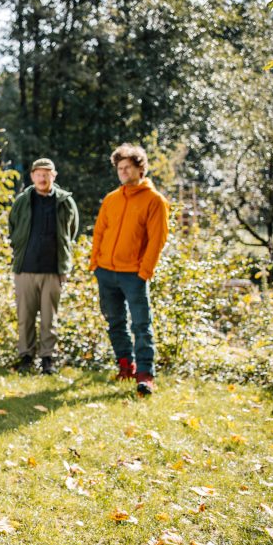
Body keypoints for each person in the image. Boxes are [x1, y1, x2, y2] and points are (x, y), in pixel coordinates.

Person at [89, 143, 169, 396]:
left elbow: (157, 240)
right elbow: (99, 232)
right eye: (120, 168)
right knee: (115, 322)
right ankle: (125, 366)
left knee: (141, 325)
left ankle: (145, 374)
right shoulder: (111, 199)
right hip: (105, 271)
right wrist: (94, 263)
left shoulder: (155, 201)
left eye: (127, 167)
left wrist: (144, 272)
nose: (123, 172)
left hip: (134, 275)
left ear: (140, 169)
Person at [8, 158, 80, 375]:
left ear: (53, 176)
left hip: (53, 270)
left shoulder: (65, 201)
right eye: (38, 174)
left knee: (50, 318)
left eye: (46, 174)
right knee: (25, 317)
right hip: (25, 268)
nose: (42, 178)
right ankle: (26, 357)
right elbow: (12, 227)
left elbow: (72, 231)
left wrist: (64, 262)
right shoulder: (22, 200)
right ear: (32, 176)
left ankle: (48, 359)